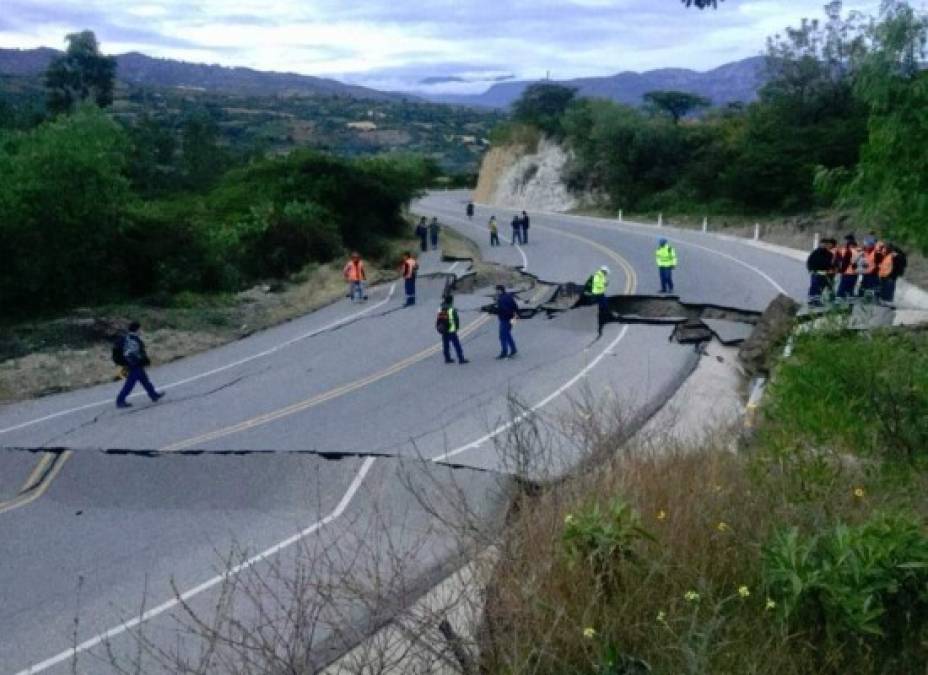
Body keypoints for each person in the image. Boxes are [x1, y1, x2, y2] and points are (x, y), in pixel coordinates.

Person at [115, 321, 164, 409]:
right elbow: (132, 353)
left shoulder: (128, 338)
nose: (141, 330)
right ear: (137, 329)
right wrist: (140, 360)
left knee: (145, 380)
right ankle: (120, 400)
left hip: (134, 364)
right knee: (130, 384)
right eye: (140, 329)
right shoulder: (132, 339)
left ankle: (153, 395)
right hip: (134, 364)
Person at [436, 295, 469, 364]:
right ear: (451, 301)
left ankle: (447, 358)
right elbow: (456, 319)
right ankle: (461, 358)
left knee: (445, 344)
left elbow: (439, 318)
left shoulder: (441, 308)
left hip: (443, 328)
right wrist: (457, 327)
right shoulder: (451, 309)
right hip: (451, 329)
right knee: (456, 344)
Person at [805, 237, 837, 306]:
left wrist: (832, 270)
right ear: (820, 244)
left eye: (826, 244)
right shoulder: (815, 253)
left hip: (824, 274)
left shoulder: (829, 254)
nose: (824, 245)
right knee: (814, 287)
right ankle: (811, 301)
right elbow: (809, 262)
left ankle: (816, 301)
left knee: (820, 288)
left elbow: (831, 264)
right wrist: (810, 270)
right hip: (816, 273)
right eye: (823, 244)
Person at [495, 285, 519, 359]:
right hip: (512, 318)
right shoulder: (509, 296)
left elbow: (503, 310)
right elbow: (515, 306)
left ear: (500, 290)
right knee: (507, 334)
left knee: (502, 336)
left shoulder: (502, 299)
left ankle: (504, 352)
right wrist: (515, 318)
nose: (496, 292)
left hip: (505, 319)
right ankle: (513, 349)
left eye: (497, 290)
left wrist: (495, 311)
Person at [834, 234, 860, 299]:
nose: (845, 242)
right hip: (854, 272)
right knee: (850, 286)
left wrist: (840, 269)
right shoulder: (858, 250)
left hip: (847, 272)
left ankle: (840, 296)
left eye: (846, 240)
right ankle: (849, 295)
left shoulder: (847, 250)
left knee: (843, 287)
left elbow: (842, 259)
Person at [586, 265, 610, 335]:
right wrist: (604, 285)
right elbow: (597, 285)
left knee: (605, 304)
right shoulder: (597, 276)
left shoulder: (602, 276)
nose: (606, 274)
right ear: (603, 271)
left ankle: (605, 316)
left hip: (601, 293)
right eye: (606, 272)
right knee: (600, 306)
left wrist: (605, 284)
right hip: (597, 294)